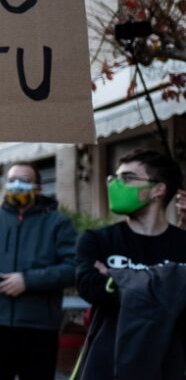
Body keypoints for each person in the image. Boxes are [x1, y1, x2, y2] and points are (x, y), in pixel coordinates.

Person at [0, 162, 78, 380]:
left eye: (24, 180)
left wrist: (28, 281)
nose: (17, 185)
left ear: (39, 188)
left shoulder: (58, 223)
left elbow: (74, 268)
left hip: (39, 325)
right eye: (12, 180)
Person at [72, 150, 186, 379]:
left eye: (128, 178)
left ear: (158, 189)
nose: (115, 184)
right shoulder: (97, 240)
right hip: (107, 364)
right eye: (113, 178)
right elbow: (89, 286)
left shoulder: (182, 243)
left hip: (170, 365)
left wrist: (119, 278)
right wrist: (171, 281)